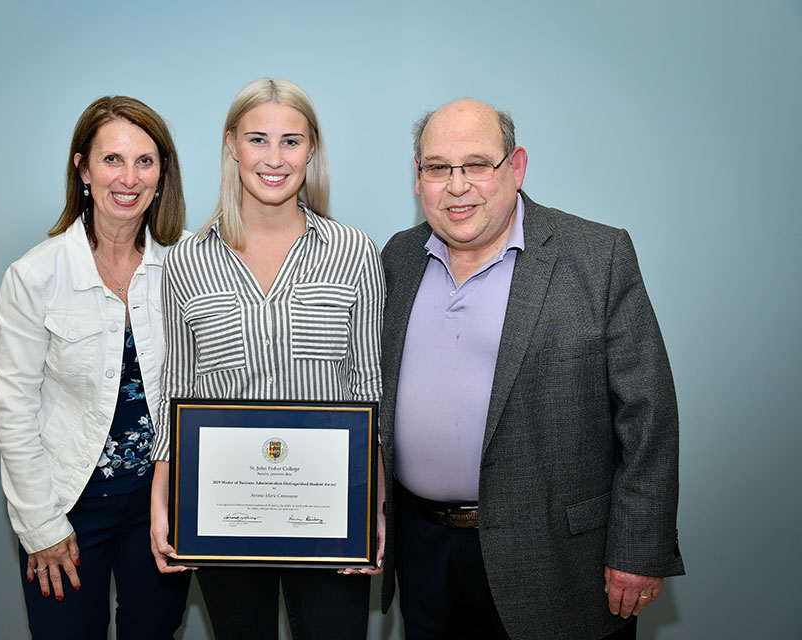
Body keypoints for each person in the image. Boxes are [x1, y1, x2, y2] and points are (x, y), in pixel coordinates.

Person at [378, 98, 685, 640]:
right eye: (436, 168)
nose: (456, 185)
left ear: (515, 168)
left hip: (560, 560)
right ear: (418, 177)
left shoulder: (596, 255)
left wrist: (639, 547)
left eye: (476, 164)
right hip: (424, 553)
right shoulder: (398, 258)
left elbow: (648, 415)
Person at [148, 77, 385, 640]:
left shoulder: (354, 251)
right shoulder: (185, 261)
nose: (274, 159)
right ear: (231, 145)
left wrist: (374, 512)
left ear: (312, 150)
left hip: (331, 515)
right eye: (258, 140)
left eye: (291, 142)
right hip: (224, 513)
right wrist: (161, 503)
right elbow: (176, 390)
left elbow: (369, 388)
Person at [0, 96, 191, 639]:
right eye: (112, 160)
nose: (128, 178)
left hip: (162, 501)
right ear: (82, 168)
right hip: (68, 507)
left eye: (145, 161)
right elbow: (14, 413)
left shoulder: (187, 267)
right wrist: (40, 527)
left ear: (161, 174)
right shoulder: (35, 276)